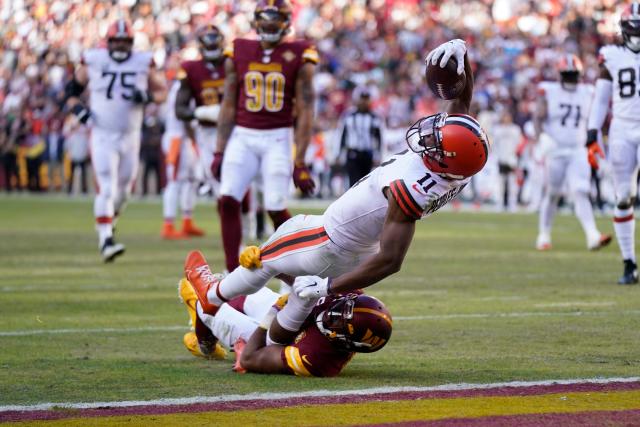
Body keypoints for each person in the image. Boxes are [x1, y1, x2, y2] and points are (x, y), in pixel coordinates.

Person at [184, 39, 489, 326]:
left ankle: (211, 298)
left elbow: (392, 260)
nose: (428, 136)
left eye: (435, 142)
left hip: (330, 240)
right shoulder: (459, 166)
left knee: (266, 259)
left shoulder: (408, 188)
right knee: (295, 312)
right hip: (355, 247)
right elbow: (461, 103)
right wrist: (462, 54)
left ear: (446, 157)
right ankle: (248, 335)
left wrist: (327, 286)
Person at [212, 0, 319, 273]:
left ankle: (298, 273)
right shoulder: (239, 48)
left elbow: (306, 109)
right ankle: (231, 273)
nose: (270, 26)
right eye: (265, 20)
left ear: (286, 23)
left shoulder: (300, 52)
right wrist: (219, 150)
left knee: (275, 207)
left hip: (277, 137)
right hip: (243, 135)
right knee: (227, 200)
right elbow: (228, 102)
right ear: (256, 21)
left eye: (276, 21)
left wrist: (301, 161)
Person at [64, 19, 167, 262]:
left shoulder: (143, 61)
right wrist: (79, 111)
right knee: (107, 187)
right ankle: (105, 240)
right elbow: (70, 93)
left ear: (131, 43)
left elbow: (162, 91)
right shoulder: (94, 60)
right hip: (102, 133)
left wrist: (147, 95)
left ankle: (109, 224)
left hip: (130, 135)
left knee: (124, 193)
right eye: (116, 41)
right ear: (108, 42)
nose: (120, 45)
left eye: (125, 41)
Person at [178, 277, 392, 377]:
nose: (332, 314)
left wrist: (274, 311)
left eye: (338, 321)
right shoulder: (349, 290)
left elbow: (251, 358)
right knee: (229, 287)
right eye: (341, 307)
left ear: (346, 342)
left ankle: (206, 344)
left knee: (206, 304)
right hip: (291, 314)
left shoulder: (317, 359)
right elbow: (302, 275)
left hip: (268, 341)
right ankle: (205, 337)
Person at [534, 54, 611, 251]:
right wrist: (541, 136)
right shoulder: (549, 91)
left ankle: (592, 235)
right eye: (567, 74)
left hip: (578, 150)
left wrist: (599, 148)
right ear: (560, 74)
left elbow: (596, 122)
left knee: (581, 190)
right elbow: (539, 118)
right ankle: (544, 234)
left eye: (573, 74)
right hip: (556, 150)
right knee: (552, 194)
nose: (570, 78)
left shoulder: (588, 92)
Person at [586, 2, 640, 285]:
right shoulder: (612, 56)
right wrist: (592, 132)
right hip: (621, 128)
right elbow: (601, 96)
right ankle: (629, 263)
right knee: (623, 197)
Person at [174, 24, 226, 199]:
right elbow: (179, 109)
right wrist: (204, 112)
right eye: (208, 45)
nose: (211, 49)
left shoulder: (233, 65)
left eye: (214, 44)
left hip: (235, 130)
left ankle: (253, 220)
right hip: (208, 132)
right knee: (219, 183)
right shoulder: (190, 69)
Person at [161, 80, 204, 239]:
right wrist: (196, 141)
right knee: (175, 182)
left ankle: (187, 221)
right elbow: (185, 117)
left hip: (185, 141)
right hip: (177, 140)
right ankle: (168, 224)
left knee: (191, 181)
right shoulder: (183, 88)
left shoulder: (181, 86)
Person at [339, 87, 384, 187]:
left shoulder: (375, 116)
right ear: (357, 99)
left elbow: (379, 137)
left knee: (365, 184)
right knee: (353, 183)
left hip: (367, 153)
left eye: (366, 98)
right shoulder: (348, 115)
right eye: (362, 98)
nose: (364, 101)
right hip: (352, 153)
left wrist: (378, 154)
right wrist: (340, 153)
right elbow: (342, 134)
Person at [491, 109, 521, 212]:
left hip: (511, 158)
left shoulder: (515, 129)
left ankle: (512, 203)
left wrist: (515, 156)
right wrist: (496, 157)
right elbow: (494, 145)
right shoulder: (497, 129)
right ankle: (500, 203)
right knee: (500, 183)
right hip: (501, 158)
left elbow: (518, 144)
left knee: (512, 183)